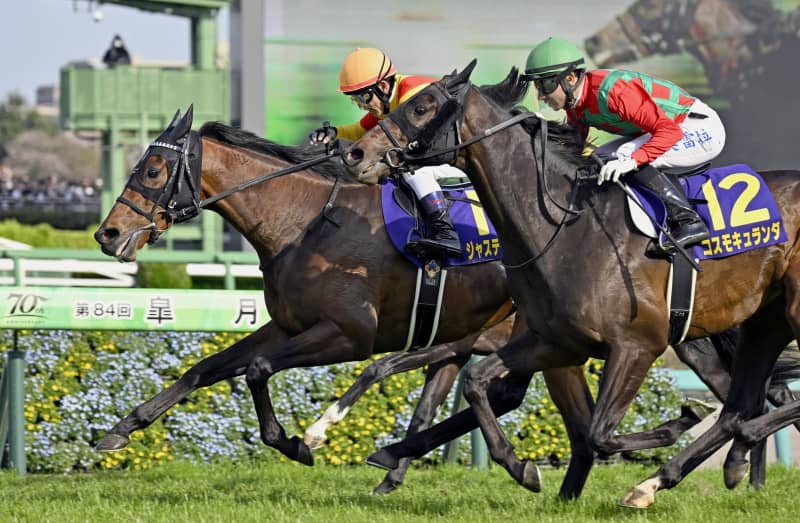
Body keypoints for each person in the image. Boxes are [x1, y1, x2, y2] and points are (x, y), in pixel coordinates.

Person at [522, 37, 727, 254]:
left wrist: (632, 161)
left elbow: (669, 132)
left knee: (624, 155)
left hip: (697, 127)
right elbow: (574, 147)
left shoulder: (614, 93)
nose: (542, 95)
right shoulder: (575, 102)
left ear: (570, 79)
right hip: (662, 130)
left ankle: (688, 220)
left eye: (545, 84)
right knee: (600, 158)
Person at [309, 47, 462, 257]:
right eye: (356, 101)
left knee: (411, 170)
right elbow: (359, 131)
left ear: (382, 86)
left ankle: (445, 231)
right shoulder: (388, 105)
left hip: (460, 162)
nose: (362, 106)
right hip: (441, 161)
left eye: (363, 98)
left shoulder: (413, 93)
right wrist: (334, 132)